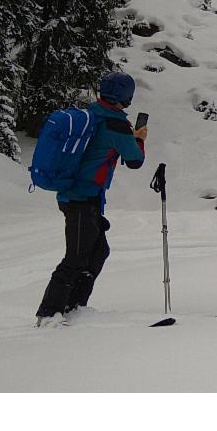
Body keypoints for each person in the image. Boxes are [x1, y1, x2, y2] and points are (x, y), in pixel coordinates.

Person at [34, 72, 147, 326]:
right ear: (126, 96)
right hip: (81, 198)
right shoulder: (115, 125)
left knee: (97, 252)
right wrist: (139, 139)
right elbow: (135, 161)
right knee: (76, 257)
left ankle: (73, 307)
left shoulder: (93, 114)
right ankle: (49, 313)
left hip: (82, 196)